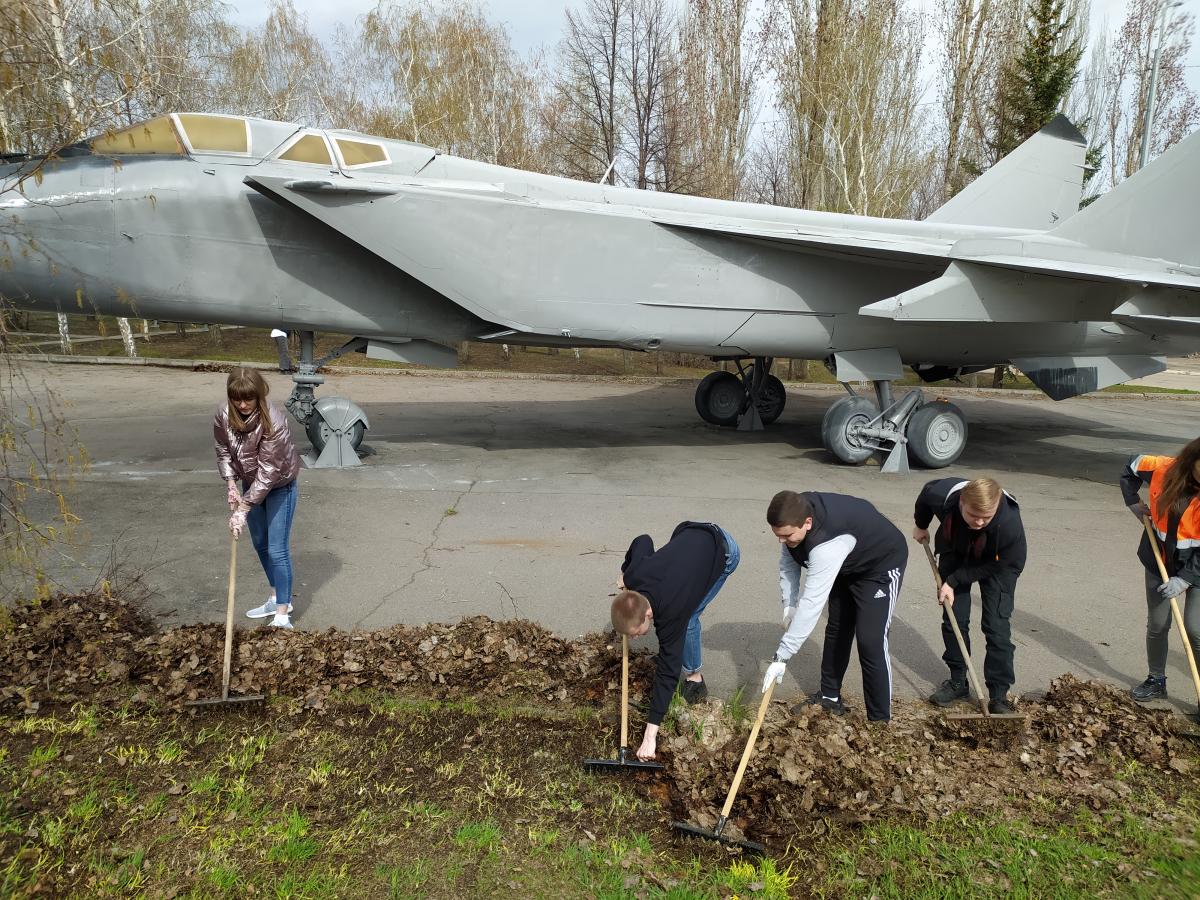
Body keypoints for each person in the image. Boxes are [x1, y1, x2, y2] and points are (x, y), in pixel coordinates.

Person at [761, 490, 907, 723]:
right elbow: (788, 567)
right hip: (846, 564)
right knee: (838, 627)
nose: (782, 541)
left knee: (871, 640)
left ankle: (880, 721)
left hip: (879, 565)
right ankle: (829, 698)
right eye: (778, 535)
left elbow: (812, 602)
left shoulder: (826, 545)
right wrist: (789, 606)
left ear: (807, 523)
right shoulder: (793, 514)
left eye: (787, 535)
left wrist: (782, 656)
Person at [609, 521, 740, 760]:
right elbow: (643, 539)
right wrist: (624, 571)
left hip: (722, 549)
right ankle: (676, 650)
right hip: (688, 533)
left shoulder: (672, 611)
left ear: (648, 614)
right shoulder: (634, 575)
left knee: (689, 619)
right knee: (673, 640)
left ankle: (695, 679)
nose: (634, 637)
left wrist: (650, 736)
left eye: (636, 632)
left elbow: (667, 674)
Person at [913, 477, 1026, 714]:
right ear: (962, 502)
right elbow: (925, 494)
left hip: (998, 563)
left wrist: (953, 581)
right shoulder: (942, 495)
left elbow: (995, 566)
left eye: (987, 516)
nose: (980, 521)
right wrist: (921, 524)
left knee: (996, 625)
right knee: (954, 618)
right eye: (974, 515)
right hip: (956, 548)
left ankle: (998, 695)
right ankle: (958, 681)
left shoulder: (1009, 523)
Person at [214, 367, 301, 630]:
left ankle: (283, 614)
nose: (242, 405)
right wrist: (231, 483)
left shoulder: (273, 420)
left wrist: (243, 507)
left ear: (259, 395)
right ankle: (276, 597)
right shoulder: (223, 414)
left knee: (277, 549)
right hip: (250, 484)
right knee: (261, 545)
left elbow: (269, 471)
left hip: (279, 485)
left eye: (248, 399)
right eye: (236, 399)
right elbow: (222, 449)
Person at [1120, 438, 1200, 707]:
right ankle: (1156, 680)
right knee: (1157, 625)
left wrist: (1185, 578)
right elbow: (1130, 466)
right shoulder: (1162, 468)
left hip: (1197, 568)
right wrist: (1131, 500)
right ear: (1192, 460)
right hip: (1159, 560)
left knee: (1196, 629)